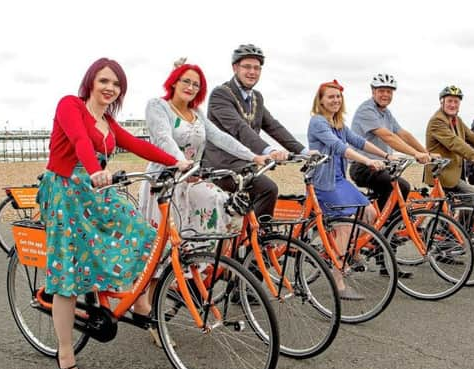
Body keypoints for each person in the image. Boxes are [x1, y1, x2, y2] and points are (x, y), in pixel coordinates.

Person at [37, 58, 192, 369]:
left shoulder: (108, 121)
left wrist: (177, 162)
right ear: (91, 81)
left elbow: (137, 145)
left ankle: (139, 303)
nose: (110, 88)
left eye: (117, 84)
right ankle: (65, 351)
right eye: (105, 81)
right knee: (68, 271)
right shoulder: (71, 105)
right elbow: (80, 141)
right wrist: (95, 170)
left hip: (97, 190)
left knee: (146, 236)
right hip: (67, 190)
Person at [136, 60, 269, 344]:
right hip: (164, 185)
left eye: (196, 84)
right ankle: (146, 309)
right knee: (159, 252)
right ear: (173, 81)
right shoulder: (158, 106)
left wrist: (253, 156)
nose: (191, 87)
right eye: (186, 81)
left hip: (190, 182)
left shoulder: (196, 113)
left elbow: (221, 138)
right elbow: (161, 138)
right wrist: (179, 162)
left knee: (216, 213)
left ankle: (185, 283)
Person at [202, 44, 310, 219]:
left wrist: (303, 151)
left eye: (257, 68)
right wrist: (270, 151)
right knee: (268, 189)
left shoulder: (256, 97)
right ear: (235, 68)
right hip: (222, 166)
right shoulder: (221, 94)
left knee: (252, 208)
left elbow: (273, 126)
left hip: (246, 165)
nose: (252, 72)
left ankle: (252, 240)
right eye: (247, 67)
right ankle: (257, 240)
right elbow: (239, 128)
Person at [308, 79, 388, 300]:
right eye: (330, 96)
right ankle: (338, 279)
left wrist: (386, 155)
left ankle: (348, 253)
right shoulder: (318, 122)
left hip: (340, 180)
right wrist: (367, 161)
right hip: (324, 183)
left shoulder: (339, 123)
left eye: (338, 96)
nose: (335, 100)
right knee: (344, 225)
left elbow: (358, 141)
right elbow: (339, 147)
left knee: (369, 213)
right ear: (321, 100)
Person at [350, 73, 433, 210]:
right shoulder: (366, 110)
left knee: (395, 193)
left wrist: (425, 152)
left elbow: (403, 134)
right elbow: (388, 136)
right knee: (402, 186)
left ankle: (386, 223)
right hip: (363, 167)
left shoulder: (386, 113)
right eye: (381, 91)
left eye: (389, 91)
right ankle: (384, 227)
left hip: (382, 167)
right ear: (373, 91)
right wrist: (415, 154)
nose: (385, 95)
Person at [424, 85, 474, 195]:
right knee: (471, 195)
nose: (453, 105)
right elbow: (455, 143)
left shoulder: (456, 119)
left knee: (465, 201)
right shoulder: (437, 120)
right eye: (449, 101)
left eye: (456, 102)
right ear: (442, 102)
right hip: (443, 172)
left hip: (455, 172)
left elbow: (473, 137)